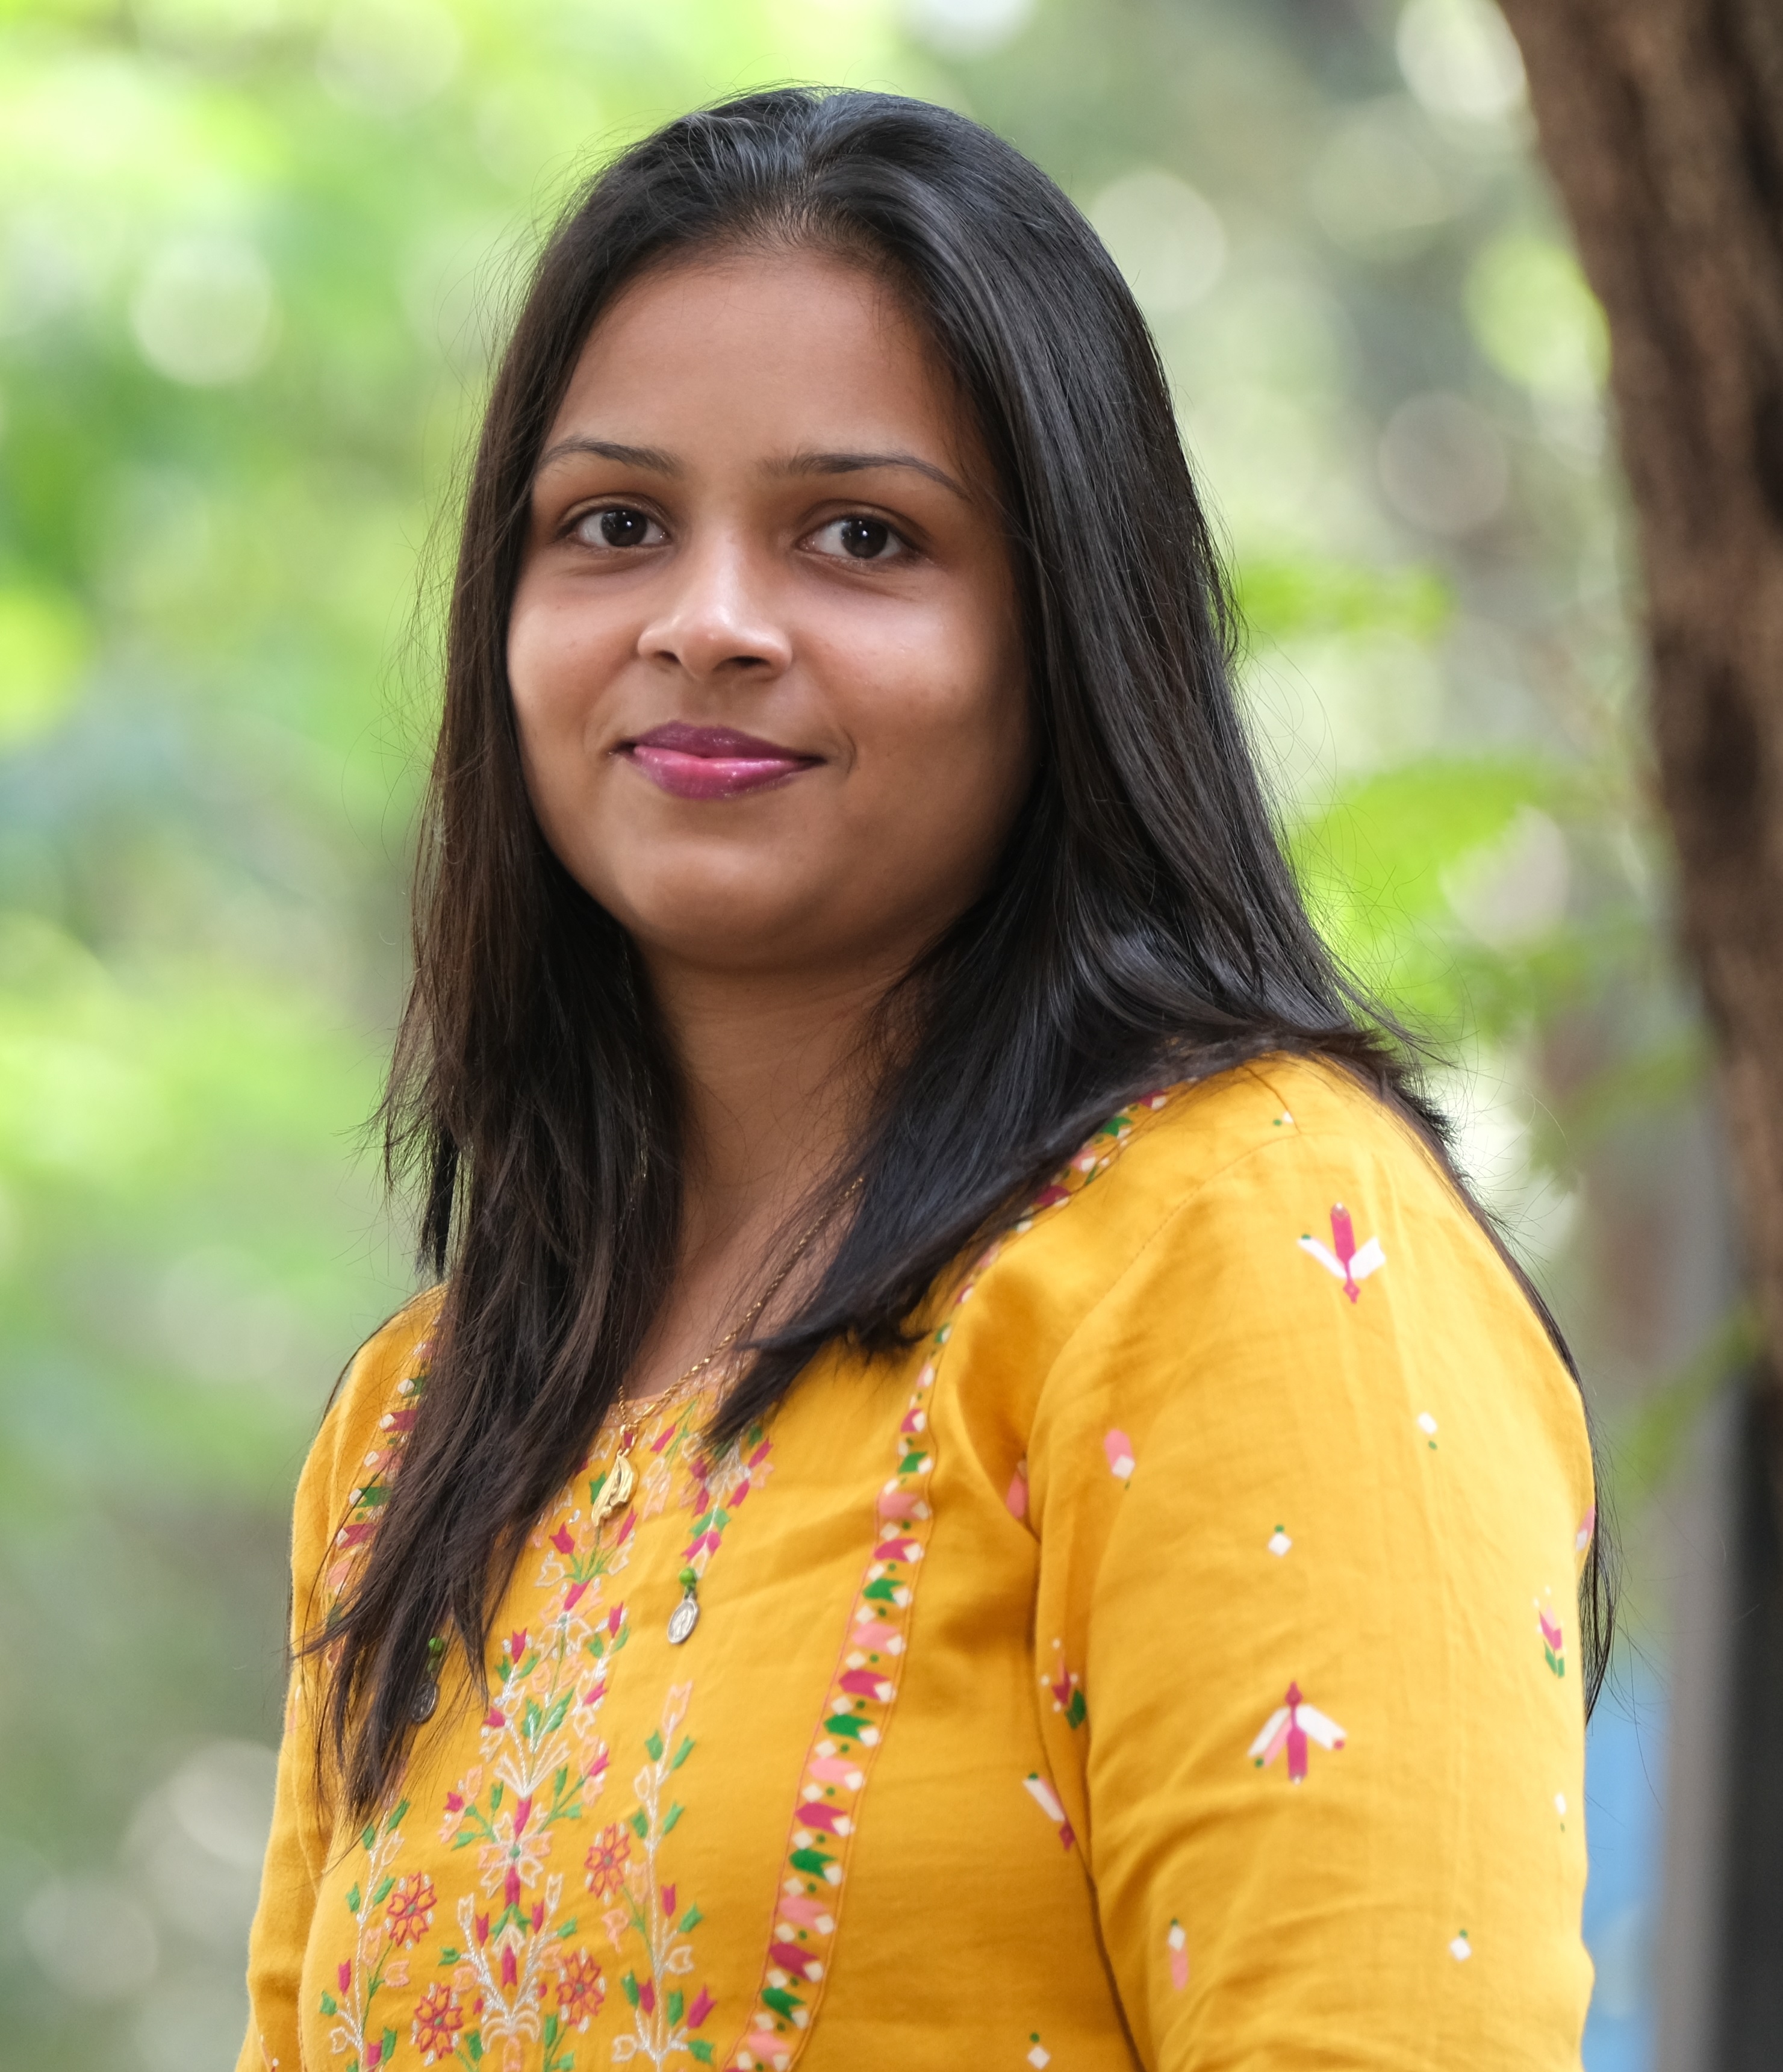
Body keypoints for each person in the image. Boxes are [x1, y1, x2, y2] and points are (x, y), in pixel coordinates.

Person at [238, 87, 1607, 2072]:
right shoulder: (422, 1424)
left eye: (861, 536)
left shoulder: (1248, 1248)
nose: (708, 623)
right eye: (613, 525)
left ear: (1064, 630)